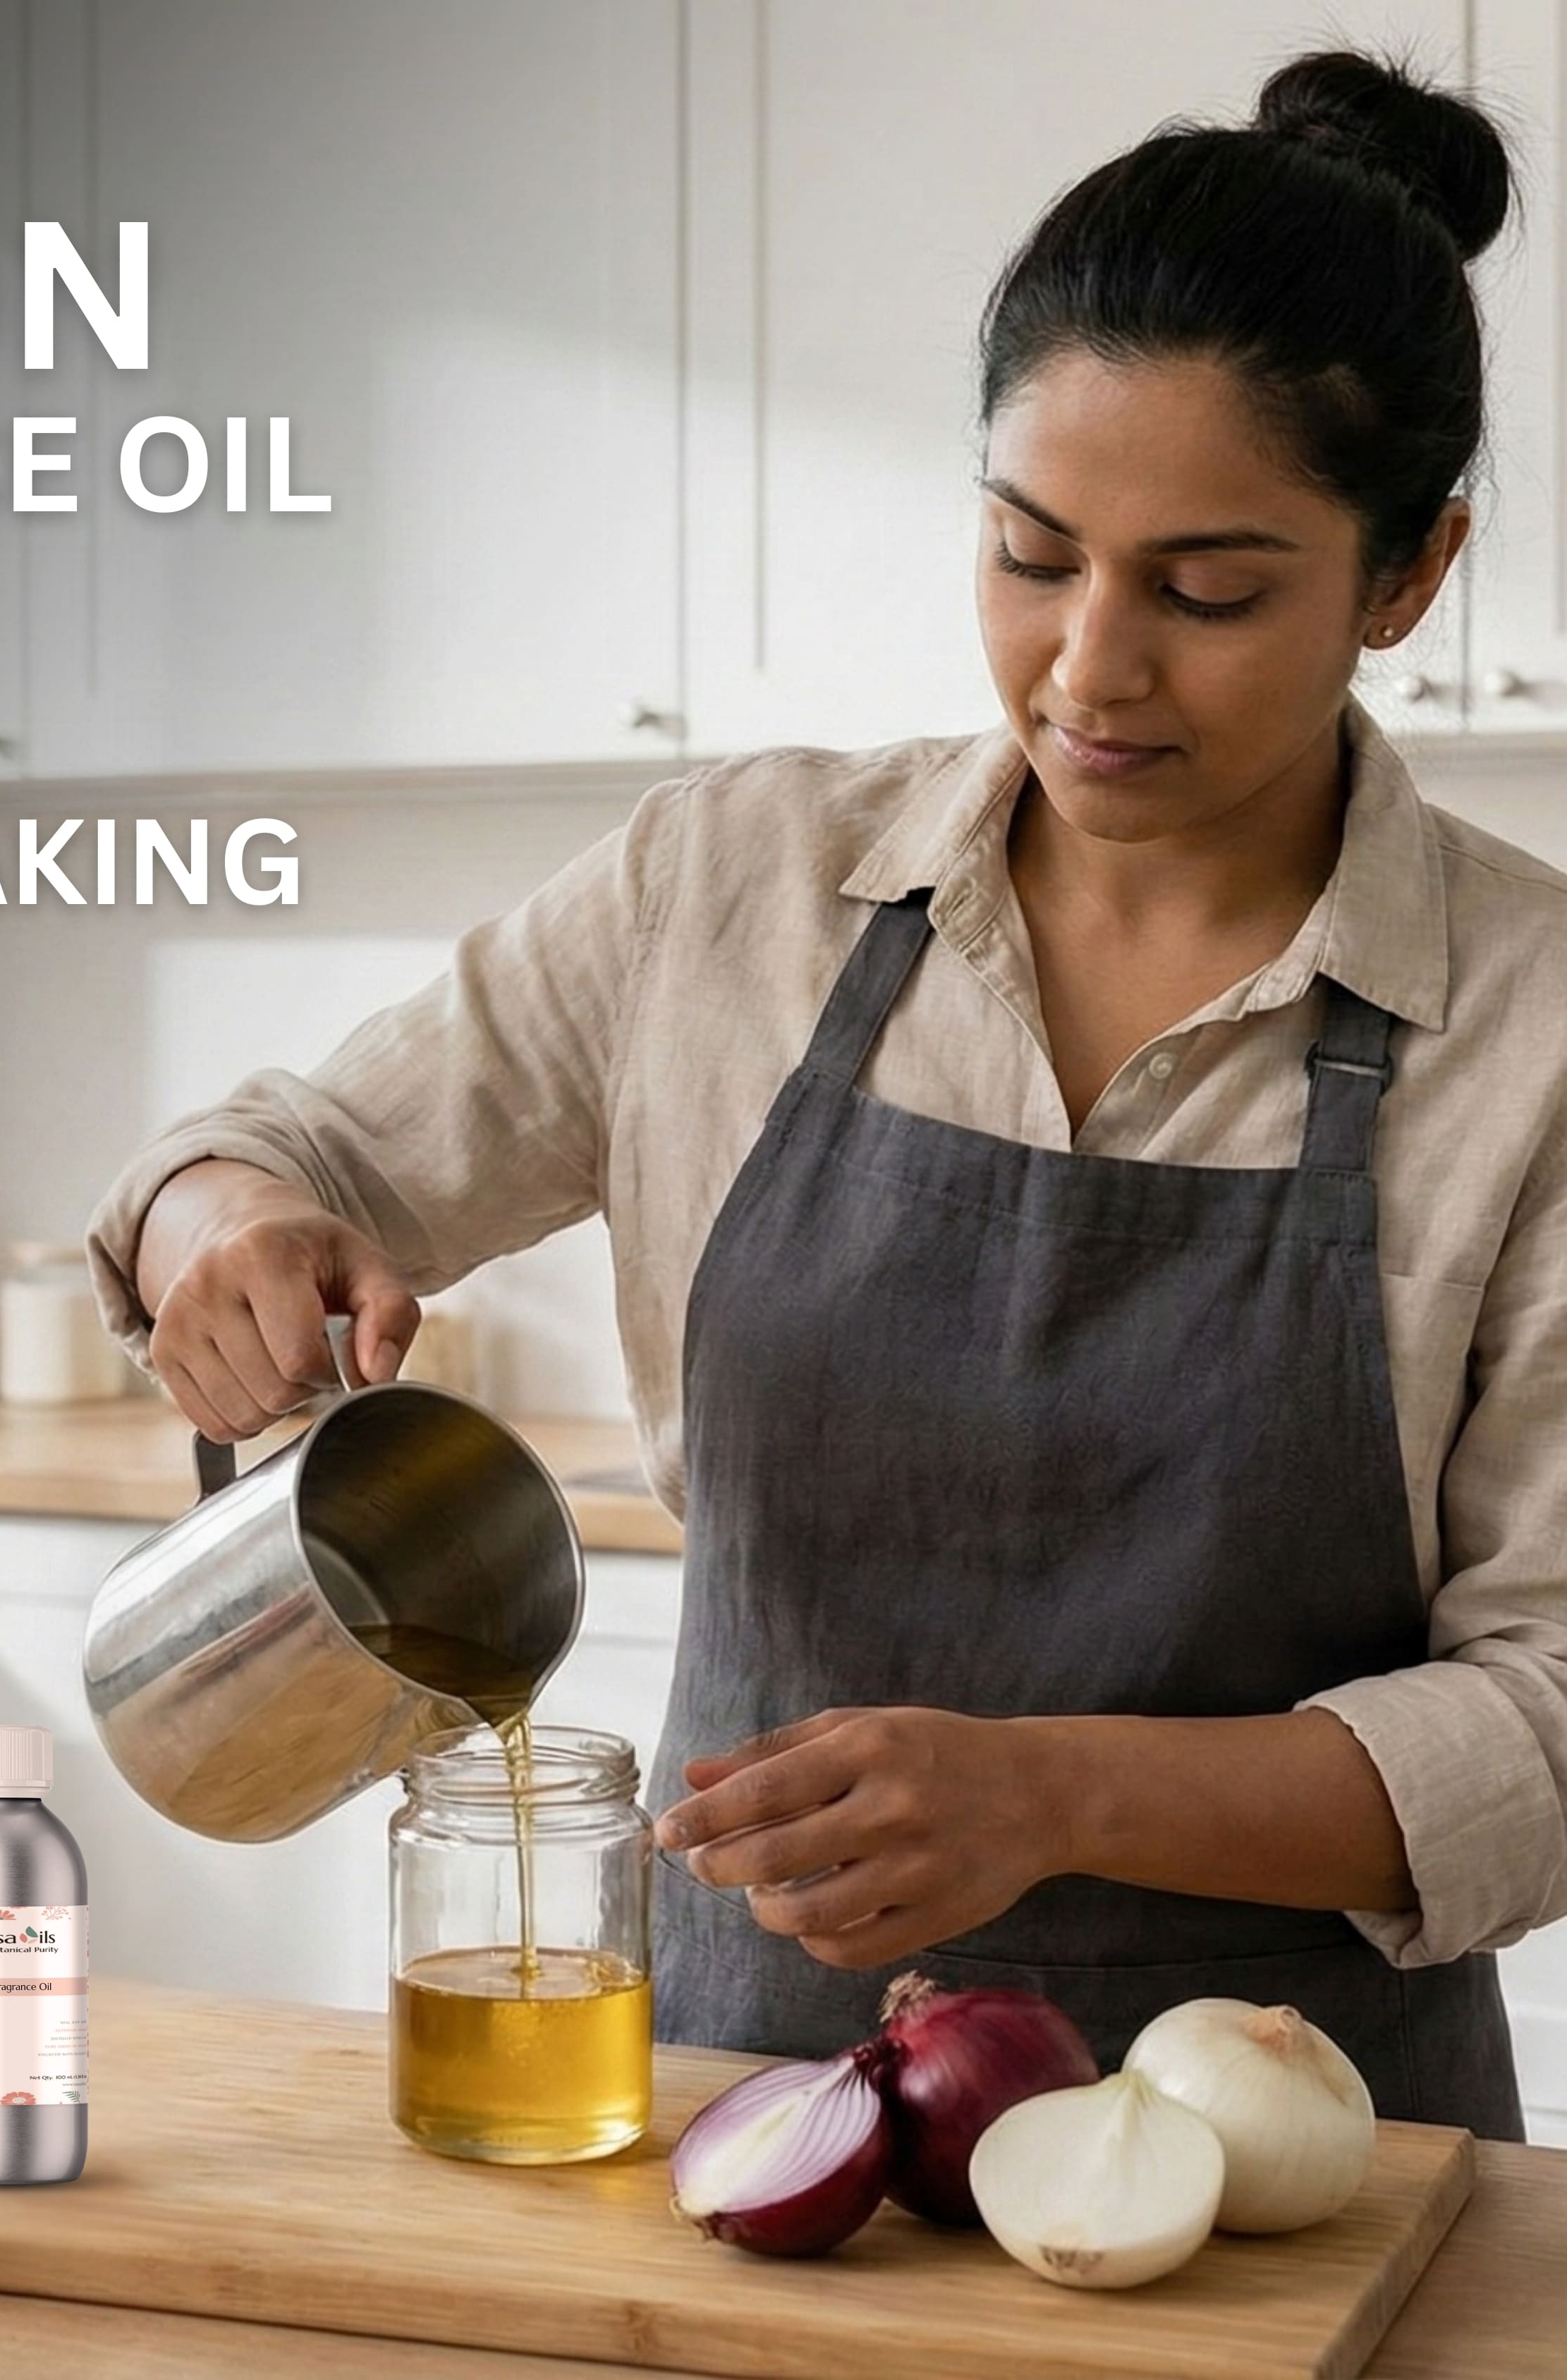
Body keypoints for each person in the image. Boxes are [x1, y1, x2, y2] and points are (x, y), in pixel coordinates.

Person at [86, 49, 1567, 2140]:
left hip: (1296, 2154)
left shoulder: (1536, 1029)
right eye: (1032, 557)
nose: (1089, 668)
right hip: (736, 2103)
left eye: (1208, 593)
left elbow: (1555, 1715)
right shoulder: (737, 888)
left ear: (1407, 578)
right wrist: (222, 1233)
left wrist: (1052, 1796)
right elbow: (278, 1153)